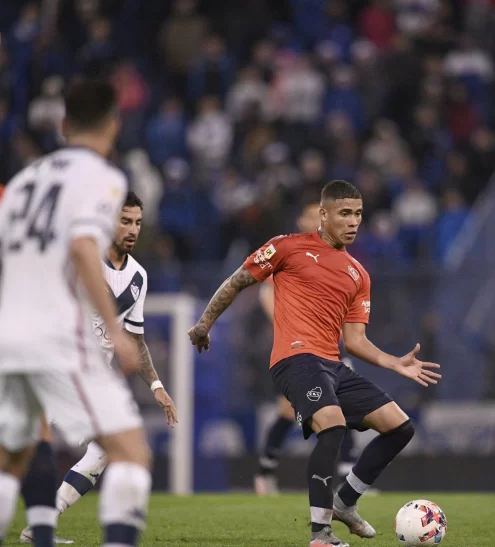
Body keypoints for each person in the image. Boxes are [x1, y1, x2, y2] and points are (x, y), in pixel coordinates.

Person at [188, 180, 441, 547]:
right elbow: (237, 281)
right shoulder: (286, 247)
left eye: (357, 214)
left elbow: (354, 341)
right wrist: (203, 324)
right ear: (322, 215)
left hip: (332, 363)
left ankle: (345, 502)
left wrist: (394, 363)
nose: (353, 221)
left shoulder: (359, 274)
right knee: (333, 426)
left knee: (400, 427)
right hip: (294, 358)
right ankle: (320, 534)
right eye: (344, 213)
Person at [0, 79, 152, 547]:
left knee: (13, 458)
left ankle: (37, 531)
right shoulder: (102, 177)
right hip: (58, 335)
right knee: (130, 452)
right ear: (113, 125)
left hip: (10, 332)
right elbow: (85, 246)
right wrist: (114, 328)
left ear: (63, 124)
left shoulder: (25, 179)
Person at [19, 191, 178, 544]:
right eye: (125, 221)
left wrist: (157, 388)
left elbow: (134, 339)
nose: (132, 229)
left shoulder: (138, 276)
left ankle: (39, 529)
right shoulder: (79, 260)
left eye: (137, 222)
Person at [254, 198, 360, 496]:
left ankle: (346, 472)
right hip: (294, 348)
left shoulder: (336, 257)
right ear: (301, 221)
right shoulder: (289, 253)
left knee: (342, 401)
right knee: (289, 411)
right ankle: (265, 468)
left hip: (328, 348)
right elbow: (267, 294)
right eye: (313, 216)